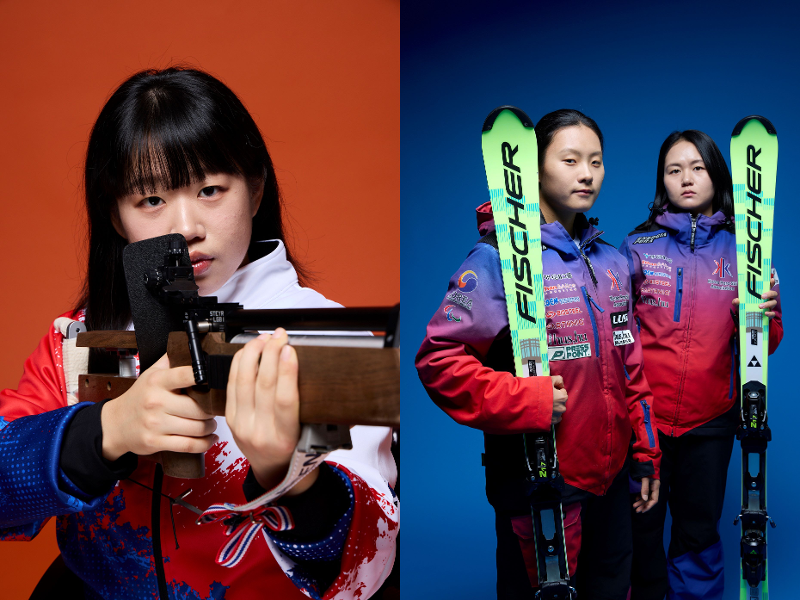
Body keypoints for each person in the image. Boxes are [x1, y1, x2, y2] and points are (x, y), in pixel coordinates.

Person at [0, 67, 397, 600]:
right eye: (151, 200)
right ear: (116, 215)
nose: (185, 226)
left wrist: (292, 473)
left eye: (210, 189)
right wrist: (106, 430)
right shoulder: (82, 338)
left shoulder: (322, 339)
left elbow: (367, 567)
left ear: (255, 190)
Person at [415, 108, 660, 599]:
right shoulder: (492, 260)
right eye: (570, 160)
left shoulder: (611, 262)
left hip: (610, 480)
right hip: (540, 480)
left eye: (595, 160)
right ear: (534, 167)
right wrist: (525, 401)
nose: (587, 173)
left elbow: (630, 365)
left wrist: (646, 453)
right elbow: (438, 359)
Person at [619, 130, 782, 600]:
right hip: (643, 423)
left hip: (710, 422)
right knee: (639, 527)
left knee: (696, 528)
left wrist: (765, 313)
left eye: (697, 167)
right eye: (674, 170)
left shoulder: (747, 251)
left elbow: (763, 348)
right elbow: (618, 336)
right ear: (661, 181)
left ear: (717, 174)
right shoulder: (637, 247)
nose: (686, 178)